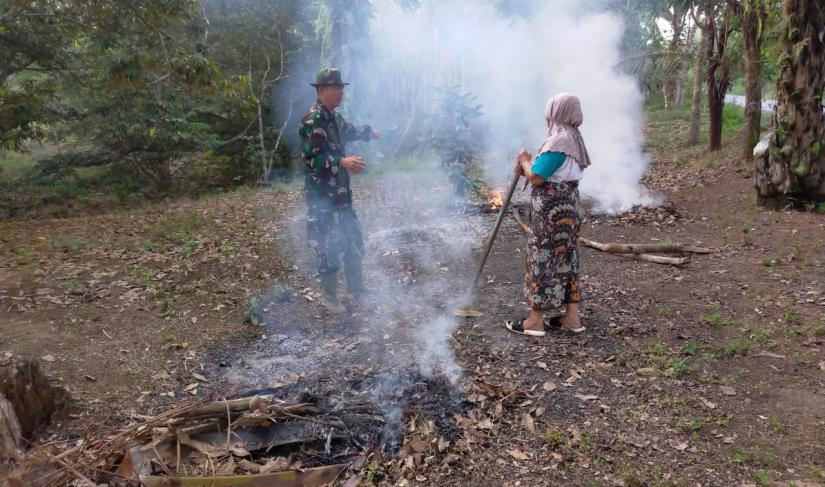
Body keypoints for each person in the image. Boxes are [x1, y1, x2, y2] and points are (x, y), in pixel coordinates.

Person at [505, 93, 590, 337]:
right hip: (569, 206)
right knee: (566, 255)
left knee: (543, 258)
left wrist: (524, 161)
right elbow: (553, 173)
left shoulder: (559, 142)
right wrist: (527, 167)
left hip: (551, 211)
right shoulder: (574, 138)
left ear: (557, 112)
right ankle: (572, 319)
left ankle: (535, 321)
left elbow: (537, 177)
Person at [299, 68, 381, 314]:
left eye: (342, 88)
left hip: (341, 196)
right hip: (322, 198)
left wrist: (369, 134)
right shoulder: (312, 121)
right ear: (322, 90)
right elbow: (311, 159)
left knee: (353, 238)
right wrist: (341, 162)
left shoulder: (334, 117)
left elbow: (350, 131)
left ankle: (356, 287)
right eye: (336, 88)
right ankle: (330, 297)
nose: (341, 92)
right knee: (327, 247)